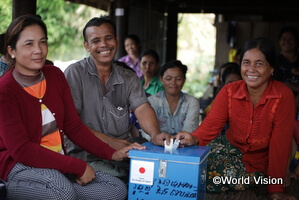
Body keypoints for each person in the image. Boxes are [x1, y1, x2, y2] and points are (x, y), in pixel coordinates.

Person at [0, 14, 147, 200]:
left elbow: (74, 126)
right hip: (21, 167)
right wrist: (78, 167)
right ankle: (23, 190)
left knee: (116, 189)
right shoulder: (5, 90)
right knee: (63, 193)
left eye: (42, 42)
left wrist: (112, 153)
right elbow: (22, 149)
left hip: (57, 162)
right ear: (12, 50)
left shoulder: (54, 75)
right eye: (29, 44)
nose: (38, 50)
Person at [176, 37, 296, 200]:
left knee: (212, 177)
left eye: (259, 63)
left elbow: (280, 145)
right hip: (229, 147)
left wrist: (276, 188)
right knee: (190, 166)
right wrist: (194, 137)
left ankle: (261, 184)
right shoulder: (229, 91)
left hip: (261, 160)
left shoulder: (283, 95)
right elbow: (211, 125)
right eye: (246, 63)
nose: (251, 69)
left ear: (271, 68)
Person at [64, 16, 169, 179]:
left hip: (123, 151)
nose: (104, 44)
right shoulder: (74, 73)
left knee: (161, 171)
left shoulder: (129, 77)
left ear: (117, 40)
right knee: (125, 181)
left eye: (108, 38)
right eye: (96, 40)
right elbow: (72, 123)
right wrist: (110, 141)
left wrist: (155, 134)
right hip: (86, 155)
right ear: (86, 46)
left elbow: (142, 107)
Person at [147, 60, 199, 138]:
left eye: (178, 79)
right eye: (168, 78)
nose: (173, 82)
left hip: (184, 146)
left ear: (184, 80)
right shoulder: (152, 101)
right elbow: (148, 131)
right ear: (161, 79)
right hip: (156, 146)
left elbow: (189, 131)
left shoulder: (191, 102)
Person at [273, 25, 299, 111]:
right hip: (280, 101)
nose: (287, 41)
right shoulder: (275, 61)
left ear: (296, 41)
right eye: (284, 38)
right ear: (279, 41)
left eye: (291, 38)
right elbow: (279, 81)